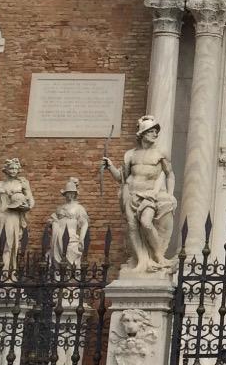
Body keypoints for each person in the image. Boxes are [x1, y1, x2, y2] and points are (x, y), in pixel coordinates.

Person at [101, 114, 176, 273]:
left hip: (149, 195)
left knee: (146, 223)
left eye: (156, 131)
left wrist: (170, 195)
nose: (155, 134)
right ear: (142, 134)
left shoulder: (161, 153)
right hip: (131, 194)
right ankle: (142, 260)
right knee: (132, 227)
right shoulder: (130, 154)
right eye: (151, 131)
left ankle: (158, 255)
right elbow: (121, 177)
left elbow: (169, 174)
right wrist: (110, 166)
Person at [0, 156, 35, 271]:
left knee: (7, 246)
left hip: (12, 216)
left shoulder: (22, 183)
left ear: (18, 170)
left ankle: (6, 274)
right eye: (11, 168)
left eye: (15, 169)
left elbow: (30, 200)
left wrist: (27, 207)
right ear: (6, 170)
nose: (13, 171)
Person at [48, 177, 90, 267]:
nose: (70, 195)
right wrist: (53, 222)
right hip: (58, 235)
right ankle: (58, 274)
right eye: (68, 193)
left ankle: (72, 274)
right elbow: (53, 219)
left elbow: (84, 224)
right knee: (58, 260)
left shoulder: (79, 208)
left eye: (72, 193)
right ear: (65, 194)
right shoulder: (60, 208)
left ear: (75, 194)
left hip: (71, 235)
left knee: (71, 256)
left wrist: (81, 239)